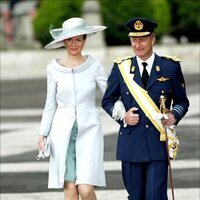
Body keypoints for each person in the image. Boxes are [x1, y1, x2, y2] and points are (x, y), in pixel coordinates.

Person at [102, 17, 189, 200]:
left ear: (153, 39)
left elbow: (182, 102)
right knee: (135, 197)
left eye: (142, 39)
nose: (138, 44)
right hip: (131, 144)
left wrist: (174, 115)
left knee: (155, 196)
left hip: (158, 143)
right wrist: (123, 117)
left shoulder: (170, 66)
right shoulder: (121, 68)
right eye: (134, 40)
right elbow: (108, 100)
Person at [37, 17, 107, 200]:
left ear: (84, 40)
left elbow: (110, 95)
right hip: (62, 133)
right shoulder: (53, 68)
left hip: (90, 130)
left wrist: (123, 114)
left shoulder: (94, 65)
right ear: (63, 41)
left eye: (78, 39)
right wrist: (43, 133)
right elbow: (50, 104)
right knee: (70, 188)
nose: (74, 44)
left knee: (85, 189)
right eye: (69, 39)